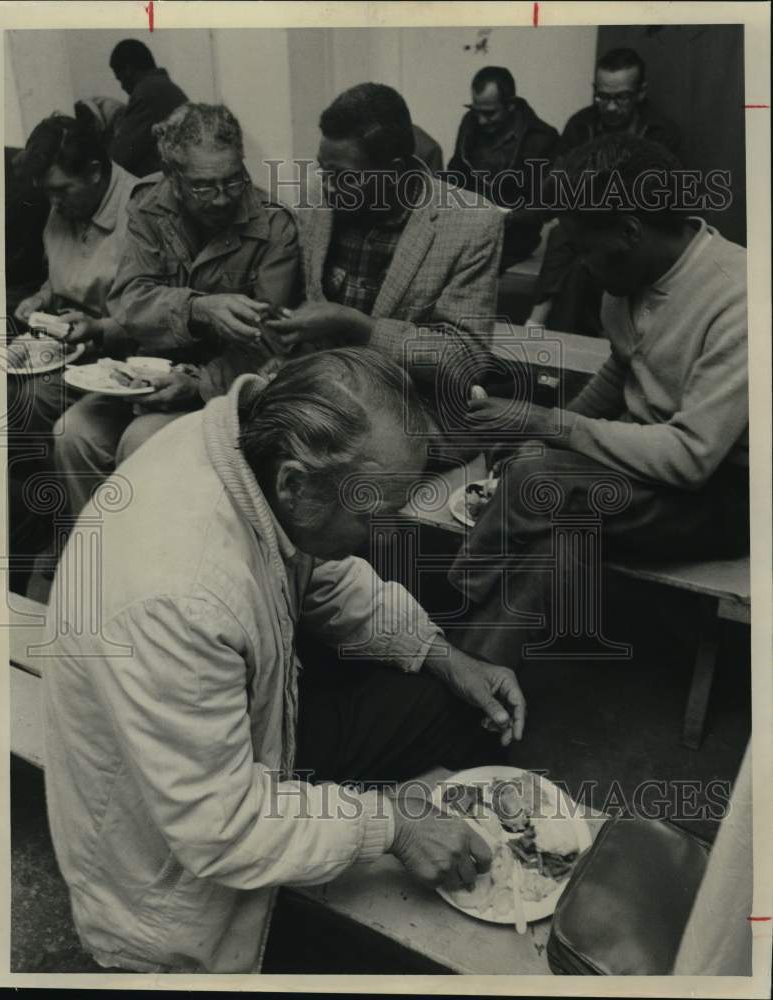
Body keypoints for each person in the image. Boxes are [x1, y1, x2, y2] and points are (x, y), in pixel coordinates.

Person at [42, 348, 527, 973]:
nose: (380, 533)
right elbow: (222, 830)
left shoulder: (242, 446)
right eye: (373, 513)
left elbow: (319, 572)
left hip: (234, 734)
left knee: (455, 702)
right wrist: (393, 828)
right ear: (295, 483)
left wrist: (438, 655)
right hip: (163, 886)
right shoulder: (183, 594)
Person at [448, 134, 748, 665]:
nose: (582, 266)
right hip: (644, 475)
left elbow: (692, 458)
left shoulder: (740, 300)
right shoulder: (629, 278)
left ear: (630, 231)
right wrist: (542, 428)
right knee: (561, 532)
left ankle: (449, 610)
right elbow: (622, 369)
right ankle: (468, 690)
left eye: (586, 249)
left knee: (534, 481)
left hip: (724, 494)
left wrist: (549, 425)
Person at [54, 102, 300, 519]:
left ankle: (158, 567)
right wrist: (200, 309)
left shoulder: (274, 226)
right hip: (147, 374)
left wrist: (200, 384)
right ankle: (103, 556)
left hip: (223, 386)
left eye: (234, 180)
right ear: (173, 177)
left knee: (142, 440)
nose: (223, 198)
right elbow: (130, 301)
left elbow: (268, 341)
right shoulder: (148, 206)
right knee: (72, 433)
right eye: (204, 186)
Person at [265, 83, 503, 433]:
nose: (328, 186)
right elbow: (305, 302)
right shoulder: (320, 197)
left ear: (393, 170)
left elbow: (464, 361)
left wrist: (360, 326)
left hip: (408, 413)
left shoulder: (471, 221)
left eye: (344, 177)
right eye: (323, 170)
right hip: (322, 394)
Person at [8, 112, 140, 591]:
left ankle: (80, 535)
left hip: (124, 347)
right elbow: (62, 274)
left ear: (96, 173)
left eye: (61, 191)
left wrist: (95, 327)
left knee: (31, 405)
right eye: (48, 192)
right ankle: (53, 519)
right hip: (71, 340)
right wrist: (41, 298)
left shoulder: (139, 209)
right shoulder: (67, 204)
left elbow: (146, 309)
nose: (53, 203)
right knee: (11, 394)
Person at [529, 48, 682, 336]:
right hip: (585, 220)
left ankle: (540, 324)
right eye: (603, 96)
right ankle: (550, 330)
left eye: (621, 97)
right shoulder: (580, 124)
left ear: (640, 92)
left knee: (578, 261)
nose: (610, 107)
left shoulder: (663, 132)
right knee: (566, 236)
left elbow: (663, 200)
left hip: (635, 226)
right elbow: (557, 183)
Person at [445, 67, 559, 267]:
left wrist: (507, 217)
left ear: (511, 105)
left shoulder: (542, 138)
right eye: (476, 111)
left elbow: (545, 205)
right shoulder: (470, 122)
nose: (480, 120)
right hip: (469, 227)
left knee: (468, 265)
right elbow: (456, 174)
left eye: (489, 113)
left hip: (514, 234)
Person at [108, 39, 187, 177]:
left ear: (129, 70)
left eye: (120, 79)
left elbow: (119, 157)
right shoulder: (165, 86)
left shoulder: (146, 93)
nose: (122, 87)